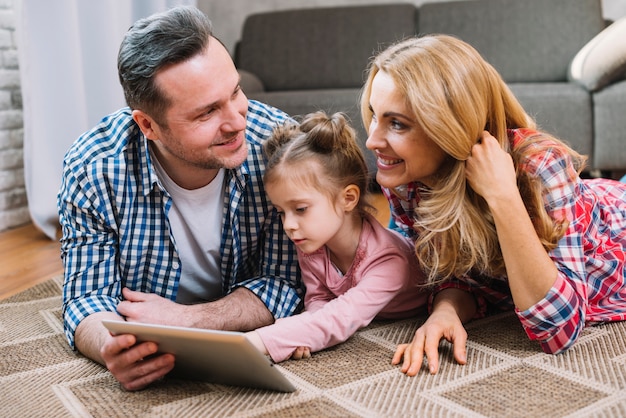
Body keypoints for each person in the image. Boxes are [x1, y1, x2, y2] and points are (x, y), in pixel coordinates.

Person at [57, 6, 303, 391]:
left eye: (236, 92)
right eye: (207, 113)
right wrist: (111, 346)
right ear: (148, 125)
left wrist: (188, 320)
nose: (238, 121)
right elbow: (86, 296)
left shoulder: (278, 148)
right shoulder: (93, 168)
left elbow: (286, 283)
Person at [359, 34, 626, 376]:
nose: (372, 140)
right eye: (373, 115)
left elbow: (559, 330)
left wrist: (502, 195)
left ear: (449, 127)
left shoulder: (538, 166)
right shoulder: (407, 180)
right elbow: (457, 275)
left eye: (396, 123)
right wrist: (446, 311)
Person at [245, 111, 429, 362]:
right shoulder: (312, 245)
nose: (288, 225)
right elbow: (320, 298)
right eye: (281, 212)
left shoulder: (389, 261)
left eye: (300, 209)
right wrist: (305, 329)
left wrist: (254, 341)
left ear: (348, 198)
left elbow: (342, 317)